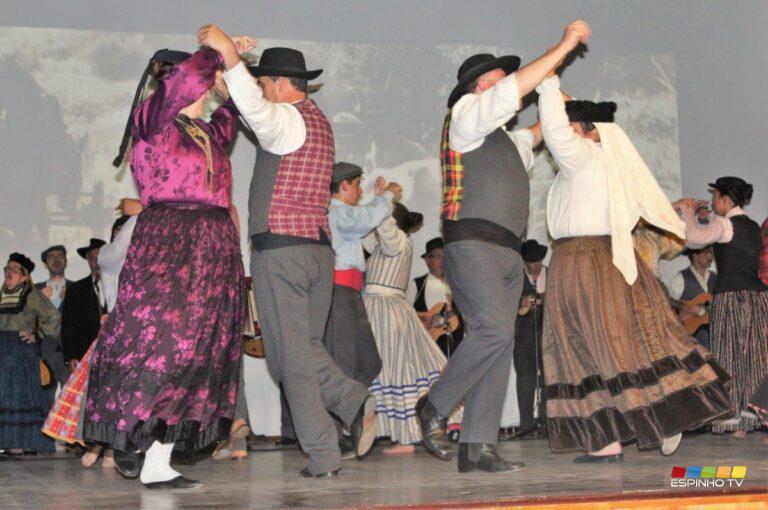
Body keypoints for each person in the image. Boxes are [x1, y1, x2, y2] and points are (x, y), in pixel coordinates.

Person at [199, 25, 377, 478]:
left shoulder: (282, 120)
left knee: (293, 362)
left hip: (283, 253)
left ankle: (323, 452)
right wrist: (225, 69)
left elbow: (254, 109)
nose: (259, 90)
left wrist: (225, 51)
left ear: (278, 84)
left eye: (263, 82)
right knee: (294, 353)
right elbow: (244, 105)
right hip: (316, 254)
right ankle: (352, 403)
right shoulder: (312, 120)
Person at [537, 58, 730, 463]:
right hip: (582, 259)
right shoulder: (598, 164)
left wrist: (547, 82)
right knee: (588, 347)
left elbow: (555, 131)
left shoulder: (588, 157)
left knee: (604, 344)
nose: (566, 133)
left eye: (575, 126)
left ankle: (668, 416)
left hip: (588, 259)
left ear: (590, 132)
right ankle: (606, 439)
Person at [417, 21, 584, 475]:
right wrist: (564, 48)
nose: (508, 88)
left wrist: (555, 95)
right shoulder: (466, 117)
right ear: (478, 87)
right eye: (496, 80)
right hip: (472, 244)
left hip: (508, 252)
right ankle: (434, 406)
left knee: (497, 341)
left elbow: (538, 131)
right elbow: (512, 92)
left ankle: (477, 447)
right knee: (493, 330)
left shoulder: (509, 141)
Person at [82, 45, 246, 489]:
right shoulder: (153, 120)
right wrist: (219, 51)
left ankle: (159, 460)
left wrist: (235, 76)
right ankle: (125, 431)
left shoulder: (206, 131)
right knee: (158, 339)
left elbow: (233, 114)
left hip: (213, 243)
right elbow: (185, 81)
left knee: (199, 349)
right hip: (170, 238)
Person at [364, 203, 462, 455]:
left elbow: (382, 225)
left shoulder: (396, 240)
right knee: (386, 370)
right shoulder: (383, 243)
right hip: (380, 309)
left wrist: (382, 198)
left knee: (399, 370)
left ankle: (408, 437)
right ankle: (382, 429)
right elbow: (362, 233)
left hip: (385, 310)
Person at [675, 177, 768, 438]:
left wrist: (689, 212)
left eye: (716, 196)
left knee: (730, 355)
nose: (713, 201)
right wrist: (706, 218)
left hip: (731, 297)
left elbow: (693, 240)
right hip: (756, 298)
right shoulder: (750, 226)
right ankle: (750, 419)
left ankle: (737, 418)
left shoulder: (724, 224)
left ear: (726, 199)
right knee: (753, 358)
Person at [0, 253, 59, 455]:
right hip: (1, 353)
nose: (9, 272)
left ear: (25, 276)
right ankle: (7, 443)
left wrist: (38, 335)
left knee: (21, 397)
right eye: (7, 268)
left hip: (22, 355)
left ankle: (25, 443)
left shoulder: (33, 296)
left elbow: (54, 318)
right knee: (4, 397)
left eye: (14, 269)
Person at [406, 237, 464, 357]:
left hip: (455, 356)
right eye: (438, 256)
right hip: (425, 355)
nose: (442, 261)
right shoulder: (417, 285)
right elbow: (405, 317)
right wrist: (428, 322)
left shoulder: (459, 286)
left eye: (445, 257)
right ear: (427, 260)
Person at [513, 240, 547, 436]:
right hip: (524, 336)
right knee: (525, 381)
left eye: (536, 261)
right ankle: (526, 425)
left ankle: (547, 423)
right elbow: (507, 303)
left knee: (548, 381)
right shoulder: (516, 278)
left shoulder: (551, 274)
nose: (533, 266)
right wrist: (521, 302)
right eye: (529, 262)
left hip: (548, 337)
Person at [60, 238, 106, 372]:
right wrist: (71, 356)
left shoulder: (120, 285)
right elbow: (68, 325)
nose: (96, 263)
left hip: (114, 355)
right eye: (92, 259)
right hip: (84, 355)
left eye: (100, 258)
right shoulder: (76, 289)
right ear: (87, 261)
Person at [35, 245, 72, 408]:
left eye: (60, 255)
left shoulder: (78, 288)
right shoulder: (34, 290)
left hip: (70, 355)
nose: (56, 259)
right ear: (45, 264)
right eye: (51, 256)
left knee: (71, 404)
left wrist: (71, 299)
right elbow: (25, 320)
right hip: (43, 353)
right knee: (43, 402)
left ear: (66, 261)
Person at [668, 246, 717, 350]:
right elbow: (667, 301)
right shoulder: (681, 278)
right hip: (691, 333)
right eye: (707, 253)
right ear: (695, 256)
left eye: (711, 253)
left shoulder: (715, 278)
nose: (711, 256)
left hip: (715, 329)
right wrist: (687, 308)